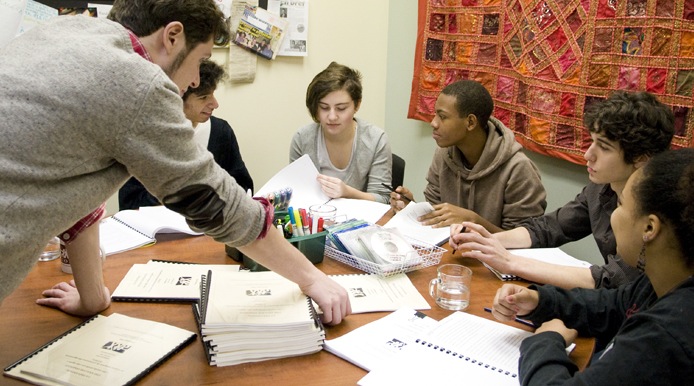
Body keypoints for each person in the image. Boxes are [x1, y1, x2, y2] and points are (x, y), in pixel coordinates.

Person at [0, 0, 350, 324]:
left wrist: (92, 299)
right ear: (172, 36)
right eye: (200, 60)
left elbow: (78, 185)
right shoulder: (136, 81)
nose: (197, 80)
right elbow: (216, 204)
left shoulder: (65, 31)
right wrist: (313, 279)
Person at [490, 149, 694, 385]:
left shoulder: (664, 336)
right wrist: (540, 301)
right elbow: (613, 306)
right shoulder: (664, 281)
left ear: (649, 228)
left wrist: (545, 342)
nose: (614, 215)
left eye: (621, 204)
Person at [450, 91, 675, 289]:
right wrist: (490, 240)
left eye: (604, 147)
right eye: (592, 141)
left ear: (641, 159)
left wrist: (510, 262)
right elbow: (550, 227)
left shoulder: (658, 215)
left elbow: (611, 280)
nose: (588, 154)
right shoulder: (601, 189)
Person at [390, 80, 546, 232]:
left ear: (470, 122)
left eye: (442, 117)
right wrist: (411, 207)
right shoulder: (443, 154)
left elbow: (527, 241)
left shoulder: (518, 169)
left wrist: (474, 221)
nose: (433, 123)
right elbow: (437, 217)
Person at [119, 59, 254, 210]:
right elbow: (129, 203)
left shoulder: (221, 131)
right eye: (203, 97)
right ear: (178, 97)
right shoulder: (147, 136)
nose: (215, 104)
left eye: (213, 95)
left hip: (210, 229)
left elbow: (243, 188)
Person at [290, 62, 392, 204]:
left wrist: (347, 192)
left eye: (341, 108)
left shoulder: (376, 140)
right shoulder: (302, 139)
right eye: (324, 108)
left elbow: (383, 199)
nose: (332, 116)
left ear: (357, 105)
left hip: (362, 220)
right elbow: (297, 191)